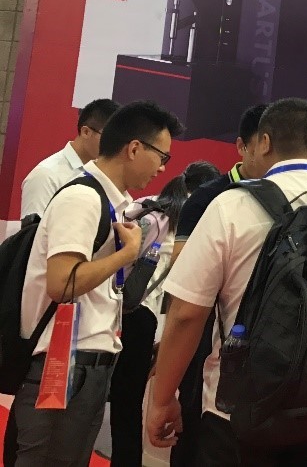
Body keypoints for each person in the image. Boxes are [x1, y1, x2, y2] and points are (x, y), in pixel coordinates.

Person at [146, 98, 307, 467]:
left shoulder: (230, 207)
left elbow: (185, 314)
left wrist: (163, 399)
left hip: (238, 415)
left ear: (264, 142)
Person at [9, 100, 181, 466]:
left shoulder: (114, 203)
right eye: (161, 156)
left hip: (88, 365)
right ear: (134, 148)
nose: (163, 168)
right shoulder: (83, 198)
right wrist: (126, 254)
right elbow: (62, 282)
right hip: (62, 364)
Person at [167, 104, 268, 467]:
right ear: (242, 146)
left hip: (267, 340)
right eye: (264, 146)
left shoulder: (292, 197)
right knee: (195, 427)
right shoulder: (209, 198)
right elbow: (182, 271)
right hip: (207, 331)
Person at [109, 160, 220, 467]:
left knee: (118, 402)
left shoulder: (151, 209)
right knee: (129, 404)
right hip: (142, 319)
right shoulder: (190, 222)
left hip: (120, 313)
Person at [19, 98, 119, 216]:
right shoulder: (46, 176)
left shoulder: (103, 174)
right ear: (86, 132)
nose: (115, 146)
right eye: (109, 138)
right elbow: (36, 227)